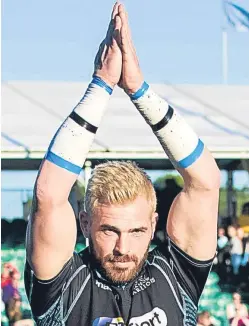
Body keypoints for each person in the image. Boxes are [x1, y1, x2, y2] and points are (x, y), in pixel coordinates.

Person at [24, 3, 220, 326]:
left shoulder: (175, 277)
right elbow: (48, 194)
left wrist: (139, 90)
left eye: (137, 230)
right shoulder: (65, 287)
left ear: (154, 224)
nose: (122, 247)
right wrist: (101, 85)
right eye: (109, 230)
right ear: (85, 224)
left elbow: (206, 182)